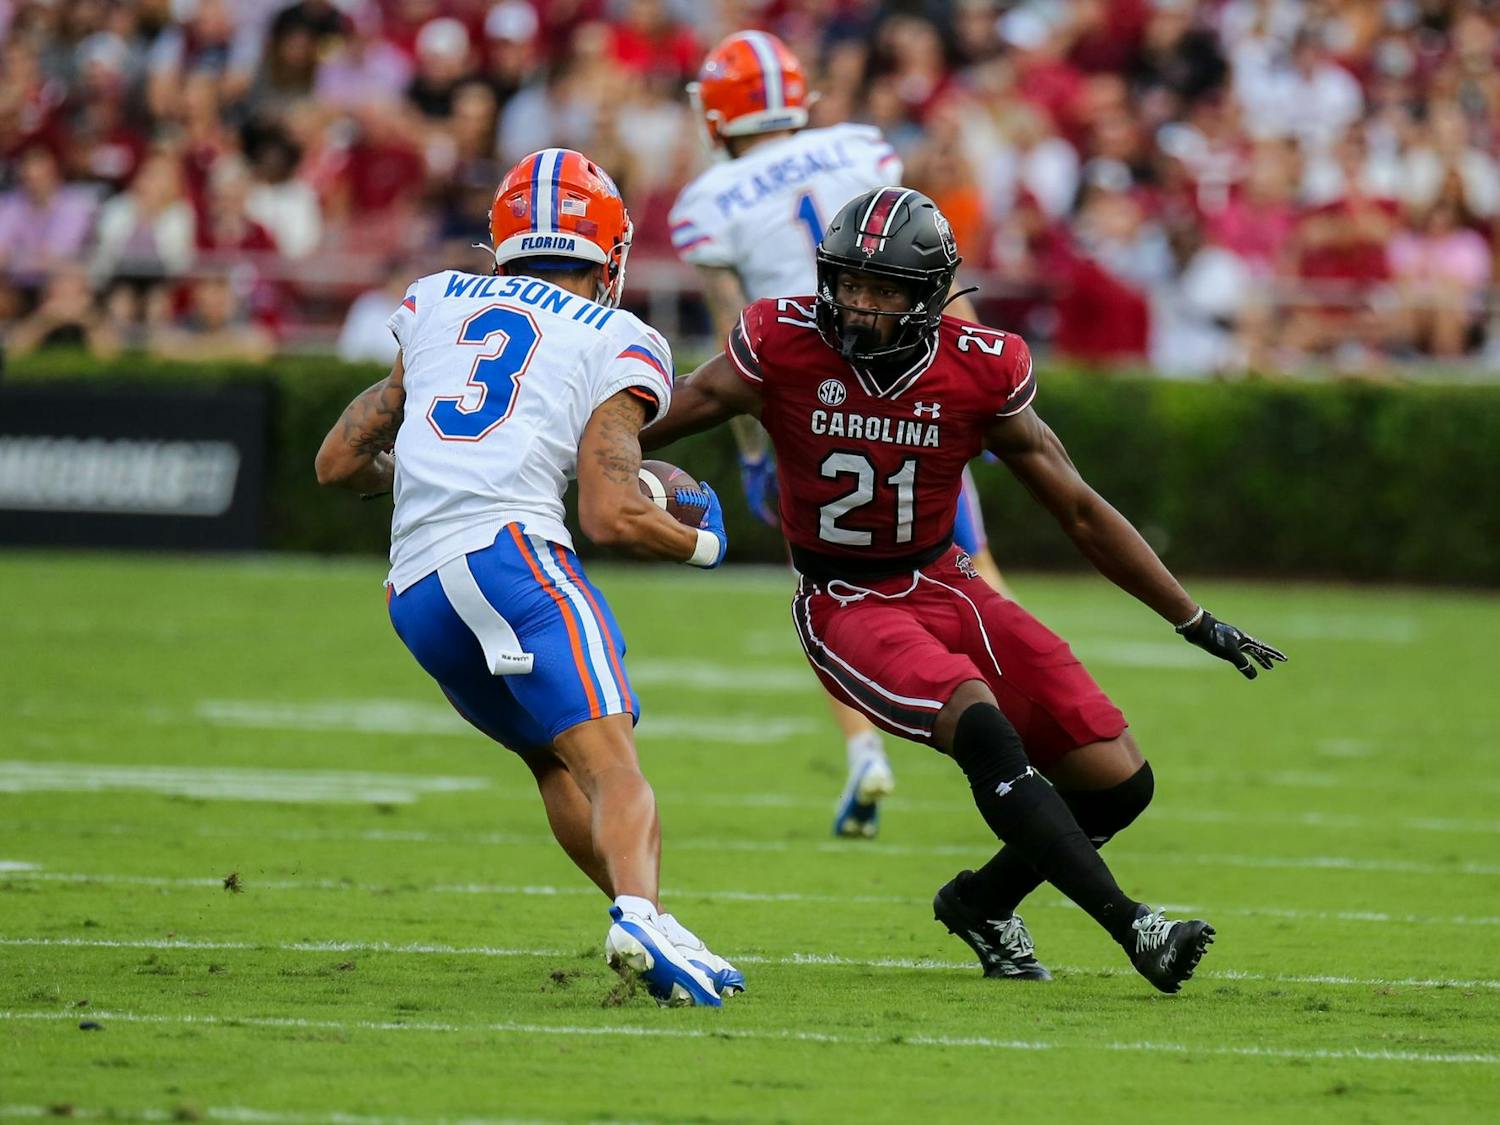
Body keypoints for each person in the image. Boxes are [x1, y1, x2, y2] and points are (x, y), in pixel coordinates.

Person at [645, 187, 1287, 992]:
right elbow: (668, 411)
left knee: (1119, 780)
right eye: (848, 283)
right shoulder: (783, 340)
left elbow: (1080, 510)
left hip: (946, 580)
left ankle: (982, 902)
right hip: (843, 597)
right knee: (981, 727)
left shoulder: (980, 367)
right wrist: (555, 460)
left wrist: (1191, 618)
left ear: (929, 296)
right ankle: (1135, 925)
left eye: (883, 290)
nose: (859, 304)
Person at [315, 148, 740, 1008]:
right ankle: (638, 916)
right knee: (614, 762)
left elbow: (338, 461)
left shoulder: (435, 299)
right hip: (514, 557)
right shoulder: (621, 334)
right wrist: (699, 543)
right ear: (610, 253)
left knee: (554, 762)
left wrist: (435, 472)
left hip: (418, 590)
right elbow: (611, 512)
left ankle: (654, 919)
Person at [668, 30, 1010, 840]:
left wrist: (755, 455)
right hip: (911, 374)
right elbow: (932, 265)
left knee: (828, 591)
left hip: (806, 396)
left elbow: (734, 338)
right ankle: (1030, 725)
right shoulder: (860, 148)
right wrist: (981, 369)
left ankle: (864, 751)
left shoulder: (709, 202)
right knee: (976, 566)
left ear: (718, 113)